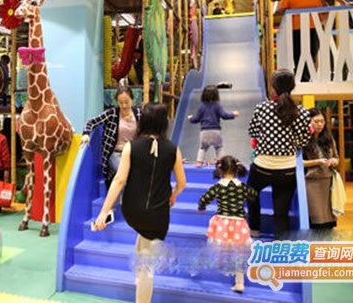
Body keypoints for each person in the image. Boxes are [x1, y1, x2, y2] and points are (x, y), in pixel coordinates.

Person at [94, 103, 186, 303]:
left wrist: (104, 212)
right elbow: (182, 183)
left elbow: (119, 181)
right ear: (163, 123)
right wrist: (174, 195)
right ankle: (142, 282)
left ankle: (138, 275)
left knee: (143, 240)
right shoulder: (173, 150)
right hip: (158, 216)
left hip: (132, 211)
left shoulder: (131, 146)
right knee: (147, 266)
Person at [247, 69, 311, 238]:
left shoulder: (262, 108)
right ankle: (281, 242)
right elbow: (303, 141)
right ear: (292, 87)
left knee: (251, 193)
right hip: (287, 169)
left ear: (273, 87)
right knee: (281, 211)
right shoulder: (302, 112)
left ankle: (254, 228)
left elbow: (253, 132)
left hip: (262, 167)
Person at [277, 0, 353, 82]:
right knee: (311, 53)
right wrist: (345, 3)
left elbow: (283, 9)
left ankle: (300, 79)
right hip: (313, 25)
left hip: (296, 28)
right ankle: (307, 79)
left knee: (298, 55)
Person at [198, 155, 257, 293]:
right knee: (239, 253)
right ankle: (239, 282)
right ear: (237, 170)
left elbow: (204, 199)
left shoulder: (218, 187)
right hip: (239, 224)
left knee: (221, 246)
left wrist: (201, 207)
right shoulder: (242, 187)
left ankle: (222, 265)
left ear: (220, 170)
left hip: (222, 224)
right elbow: (253, 195)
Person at [82, 86, 142, 188]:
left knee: (138, 174)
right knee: (124, 174)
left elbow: (147, 130)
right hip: (116, 153)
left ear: (132, 99)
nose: (124, 105)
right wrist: (86, 134)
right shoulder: (112, 114)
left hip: (133, 153)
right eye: (120, 102)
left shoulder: (139, 114)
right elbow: (91, 122)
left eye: (126, 102)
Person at [303, 108, 339, 230]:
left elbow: (337, 157)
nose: (320, 124)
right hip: (311, 181)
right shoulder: (303, 139)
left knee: (329, 217)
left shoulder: (329, 139)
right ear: (308, 122)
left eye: (322, 121)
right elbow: (298, 163)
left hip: (328, 181)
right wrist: (318, 162)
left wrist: (334, 161)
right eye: (316, 121)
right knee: (316, 217)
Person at [188, 85, 239, 167]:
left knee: (202, 148)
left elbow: (196, 119)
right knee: (219, 148)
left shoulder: (202, 107)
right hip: (216, 131)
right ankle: (221, 162)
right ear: (216, 95)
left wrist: (191, 118)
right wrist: (233, 114)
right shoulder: (217, 106)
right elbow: (224, 115)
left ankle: (199, 162)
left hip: (204, 131)